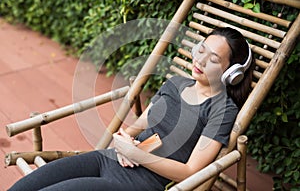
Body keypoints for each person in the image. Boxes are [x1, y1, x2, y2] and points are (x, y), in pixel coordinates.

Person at [8, 27, 254, 191]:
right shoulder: (176, 83)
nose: (199, 60)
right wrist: (125, 140)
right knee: (24, 187)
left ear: (231, 74)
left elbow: (190, 171)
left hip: (137, 184)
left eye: (213, 59)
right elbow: (138, 126)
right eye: (201, 50)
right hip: (109, 159)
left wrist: (137, 155)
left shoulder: (221, 110)